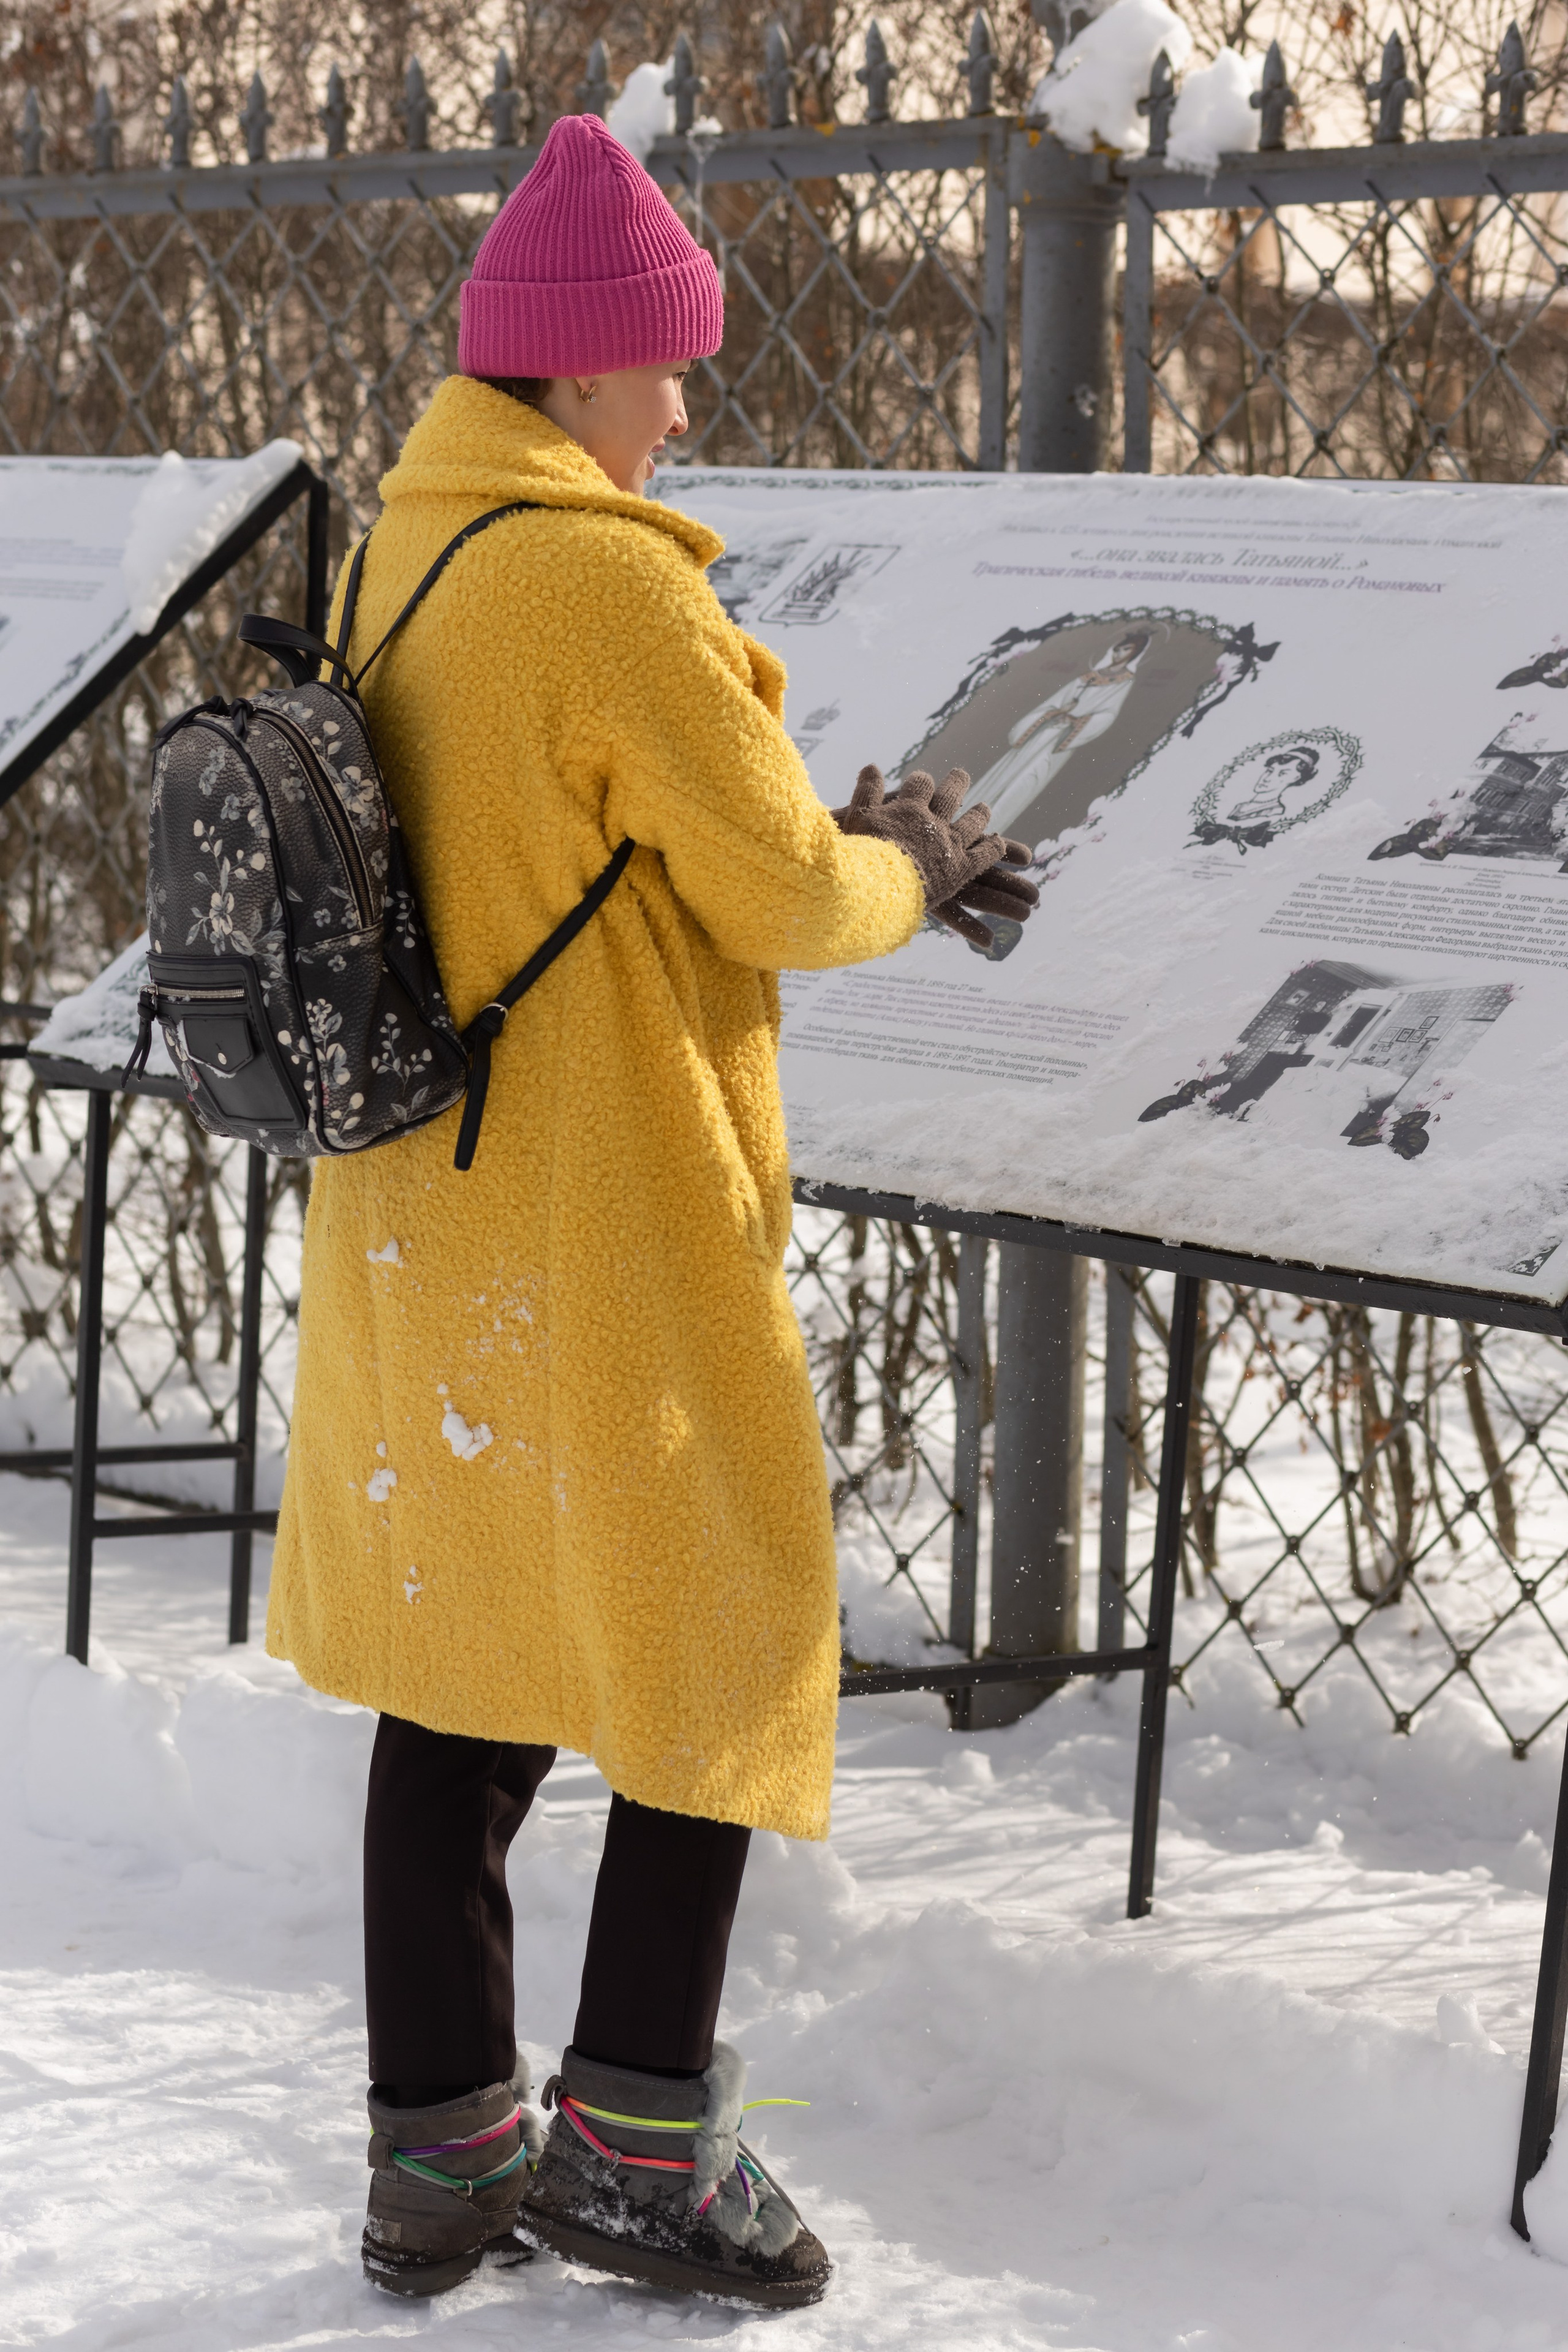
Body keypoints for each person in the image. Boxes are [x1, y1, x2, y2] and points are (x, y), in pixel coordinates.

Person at [263, 113, 1036, 2310]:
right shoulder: (602, 576)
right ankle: (638, 2137)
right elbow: (787, 890)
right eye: (665, 369)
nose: (682, 407)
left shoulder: (403, 550)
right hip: (598, 1206)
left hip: (422, 1193)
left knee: (467, 1653)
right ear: (585, 372)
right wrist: (923, 859)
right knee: (725, 1636)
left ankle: (440, 2156)